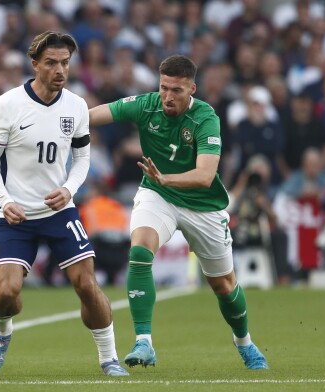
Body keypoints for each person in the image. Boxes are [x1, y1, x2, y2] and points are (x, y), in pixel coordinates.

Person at [89, 54, 268, 370]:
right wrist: (57, 119)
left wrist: (167, 177)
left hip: (203, 205)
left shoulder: (205, 118)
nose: (168, 97)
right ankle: (144, 341)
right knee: (140, 250)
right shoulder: (146, 104)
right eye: (164, 88)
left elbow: (205, 175)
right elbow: (96, 115)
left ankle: (245, 343)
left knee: (224, 286)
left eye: (177, 90)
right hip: (158, 195)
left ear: (193, 89)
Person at [0, 31, 128, 377]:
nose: (60, 69)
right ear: (35, 65)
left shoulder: (76, 106)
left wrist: (69, 189)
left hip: (59, 211)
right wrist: (5, 200)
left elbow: (82, 158)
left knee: (87, 286)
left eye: (65, 62)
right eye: (51, 63)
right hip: (16, 214)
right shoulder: (8, 104)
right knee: (6, 294)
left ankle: (109, 358)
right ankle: (2, 334)